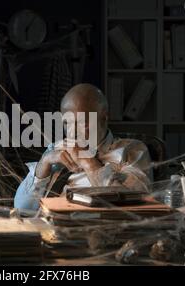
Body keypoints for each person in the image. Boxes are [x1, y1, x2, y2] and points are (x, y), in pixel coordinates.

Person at [14, 83, 152, 212]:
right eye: (67, 123)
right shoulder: (57, 150)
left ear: (103, 118)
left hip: (97, 229)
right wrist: (43, 166)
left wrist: (88, 162)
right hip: (51, 227)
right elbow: (22, 208)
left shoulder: (132, 150)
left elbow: (133, 205)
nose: (72, 132)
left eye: (82, 122)